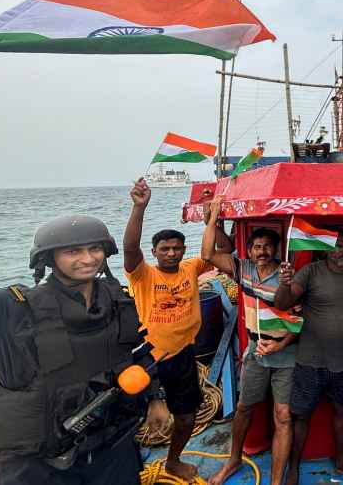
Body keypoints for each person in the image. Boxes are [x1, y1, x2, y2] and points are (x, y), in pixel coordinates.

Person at [0, 215, 166, 485]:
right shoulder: (10, 310)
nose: (88, 259)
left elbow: (135, 354)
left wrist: (156, 397)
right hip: (37, 462)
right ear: (49, 258)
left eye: (95, 249)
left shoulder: (117, 298)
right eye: (73, 251)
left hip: (109, 446)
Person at [124, 178, 220, 481]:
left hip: (182, 356)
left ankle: (173, 460)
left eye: (177, 248)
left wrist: (212, 220)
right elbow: (129, 247)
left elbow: (208, 254)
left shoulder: (191, 268)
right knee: (133, 419)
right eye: (165, 249)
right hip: (147, 359)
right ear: (154, 251)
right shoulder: (143, 275)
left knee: (187, 415)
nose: (172, 253)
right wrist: (139, 207)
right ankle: (129, 466)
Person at [208, 197, 297, 485]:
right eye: (257, 246)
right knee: (245, 407)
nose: (262, 251)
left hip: (286, 353)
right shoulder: (242, 269)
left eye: (268, 246)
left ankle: (274, 481)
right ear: (250, 249)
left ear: (276, 249)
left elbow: (299, 322)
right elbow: (208, 253)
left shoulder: (289, 276)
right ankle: (233, 461)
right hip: (255, 352)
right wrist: (212, 220)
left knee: (283, 416)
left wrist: (280, 344)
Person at [275, 229, 343, 484]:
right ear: (327, 249)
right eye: (338, 245)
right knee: (301, 415)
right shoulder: (310, 271)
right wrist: (284, 283)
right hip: (311, 361)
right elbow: (282, 303)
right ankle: (293, 467)